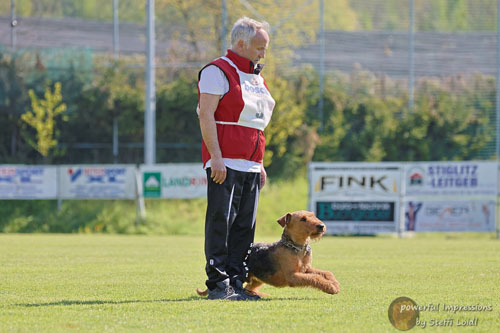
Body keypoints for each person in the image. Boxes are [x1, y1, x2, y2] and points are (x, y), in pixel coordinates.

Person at [197, 17, 275, 300]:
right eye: (259, 47)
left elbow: (255, 123)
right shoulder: (217, 71)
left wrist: (260, 163)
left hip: (251, 164)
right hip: (225, 162)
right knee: (222, 223)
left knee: (244, 228)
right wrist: (215, 156)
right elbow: (205, 114)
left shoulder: (256, 77)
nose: (263, 53)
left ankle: (237, 284)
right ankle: (218, 284)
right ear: (241, 44)